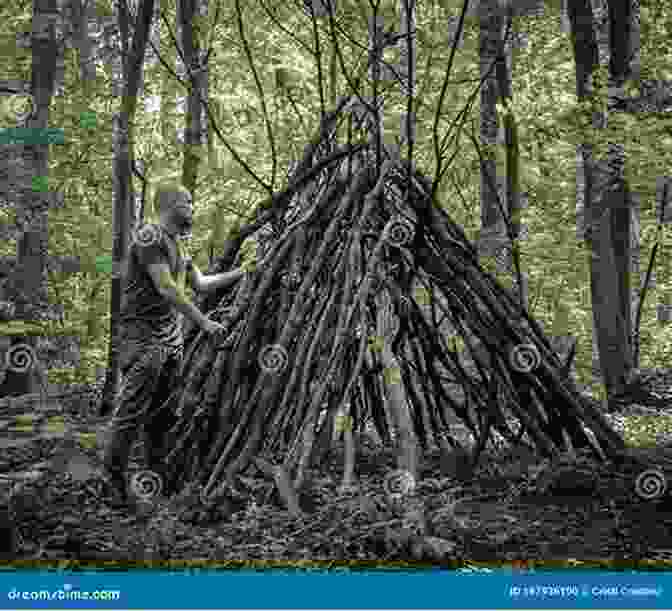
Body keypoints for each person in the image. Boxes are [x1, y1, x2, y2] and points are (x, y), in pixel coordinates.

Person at [102, 181, 245, 508]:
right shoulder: (149, 237)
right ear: (171, 205)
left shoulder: (178, 245)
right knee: (132, 411)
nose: (192, 208)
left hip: (170, 342)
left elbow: (203, 285)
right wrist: (204, 322)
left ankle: (154, 483)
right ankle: (112, 483)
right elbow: (166, 287)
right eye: (188, 203)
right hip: (141, 338)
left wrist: (242, 272)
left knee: (162, 415)